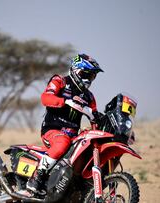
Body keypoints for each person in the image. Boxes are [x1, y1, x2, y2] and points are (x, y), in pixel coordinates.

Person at [26, 53, 104, 194]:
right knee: (63, 142)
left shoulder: (89, 96)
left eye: (92, 76)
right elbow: (45, 98)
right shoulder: (60, 81)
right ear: (76, 71)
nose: (89, 79)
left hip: (73, 135)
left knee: (86, 150)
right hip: (52, 130)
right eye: (86, 75)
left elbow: (95, 118)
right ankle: (37, 177)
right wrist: (64, 102)